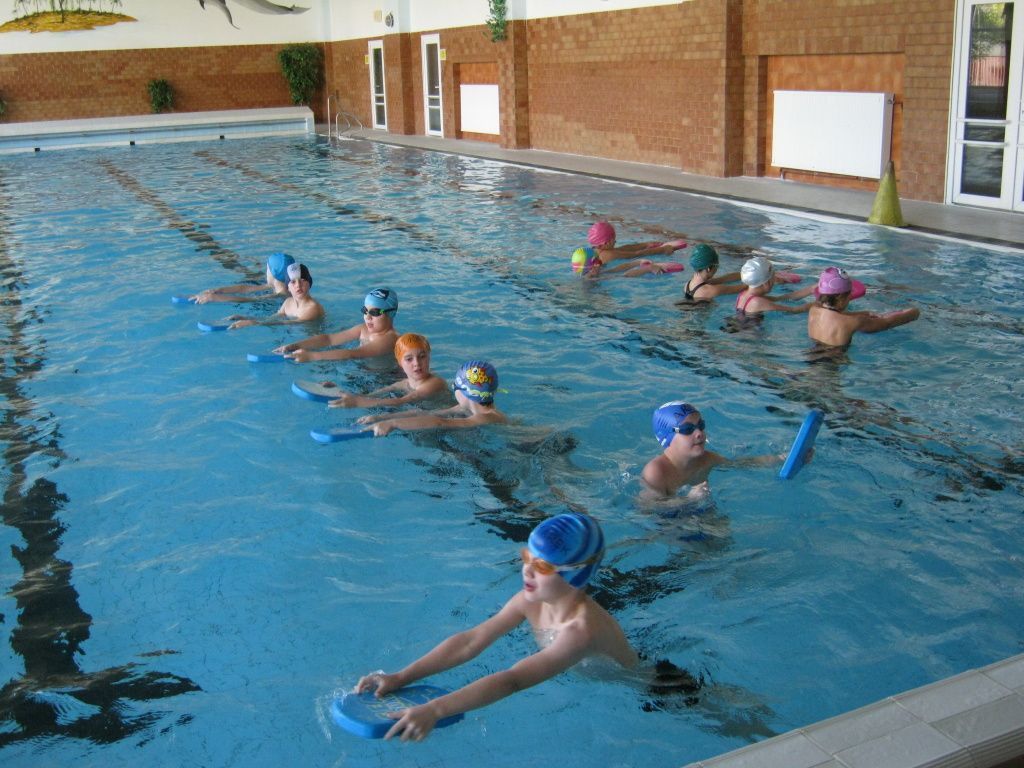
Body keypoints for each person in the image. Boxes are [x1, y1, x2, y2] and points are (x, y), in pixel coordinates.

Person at [354, 513, 639, 742]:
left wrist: (435, 710)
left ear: (575, 575)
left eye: (542, 566)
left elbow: (512, 680)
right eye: (526, 557)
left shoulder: (580, 632)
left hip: (643, 691)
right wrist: (401, 677)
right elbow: (471, 641)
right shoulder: (529, 601)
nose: (526, 570)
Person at [640, 401, 793, 499]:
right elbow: (649, 508)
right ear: (666, 438)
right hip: (668, 523)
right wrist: (689, 500)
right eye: (687, 429)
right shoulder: (656, 471)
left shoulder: (706, 459)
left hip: (700, 511)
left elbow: (741, 464)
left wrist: (782, 458)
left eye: (700, 425)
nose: (699, 433)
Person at [357, 360, 508, 436]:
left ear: (464, 393)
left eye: (455, 386)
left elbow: (440, 422)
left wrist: (395, 424)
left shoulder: (486, 417)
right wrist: (382, 418)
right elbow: (426, 414)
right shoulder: (466, 408)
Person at [273, 288, 399, 363]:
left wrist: (312, 356)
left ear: (391, 313)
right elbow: (329, 339)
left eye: (375, 312)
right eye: (365, 311)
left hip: (382, 379)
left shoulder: (389, 339)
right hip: (363, 370)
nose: (368, 316)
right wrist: (296, 345)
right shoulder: (363, 329)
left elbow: (354, 353)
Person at [324, 333, 448, 408]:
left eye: (422, 356)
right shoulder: (404, 383)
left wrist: (358, 403)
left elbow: (400, 401)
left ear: (429, 357)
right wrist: (340, 391)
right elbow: (369, 396)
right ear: (399, 363)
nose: (416, 363)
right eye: (409, 359)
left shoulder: (435, 383)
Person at [807, 267, 920, 348]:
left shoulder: (814, 309)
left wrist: (863, 313)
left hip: (812, 355)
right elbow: (886, 323)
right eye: (849, 295)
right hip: (833, 364)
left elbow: (835, 317)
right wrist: (914, 313)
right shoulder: (854, 321)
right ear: (841, 298)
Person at [572, 221, 686, 278]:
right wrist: (661, 251)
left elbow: (619, 266)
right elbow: (626, 274)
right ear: (606, 243)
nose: (615, 241)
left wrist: (644, 246)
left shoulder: (596, 254)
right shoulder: (596, 277)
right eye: (614, 239)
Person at [227, 263, 324, 329]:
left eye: (302, 280)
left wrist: (255, 323)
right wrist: (246, 318)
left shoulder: (312, 307)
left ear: (310, 283)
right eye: (293, 282)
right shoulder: (288, 302)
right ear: (288, 287)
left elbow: (290, 323)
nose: (298, 285)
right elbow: (273, 318)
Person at [191, 252, 294, 304]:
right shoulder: (273, 286)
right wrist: (218, 290)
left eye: (267, 269)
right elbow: (245, 288)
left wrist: (214, 298)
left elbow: (247, 299)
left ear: (273, 274)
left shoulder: (281, 295)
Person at [732, 257, 816, 316]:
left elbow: (782, 298)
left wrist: (813, 288)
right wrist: (818, 303)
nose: (775, 281)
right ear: (766, 283)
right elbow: (794, 310)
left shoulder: (743, 295)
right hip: (751, 335)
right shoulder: (757, 302)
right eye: (773, 278)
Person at [678, 244, 744, 302]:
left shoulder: (687, 285)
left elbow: (723, 279)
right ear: (708, 269)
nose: (717, 269)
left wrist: (743, 274)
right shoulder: (713, 290)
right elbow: (742, 288)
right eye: (716, 266)